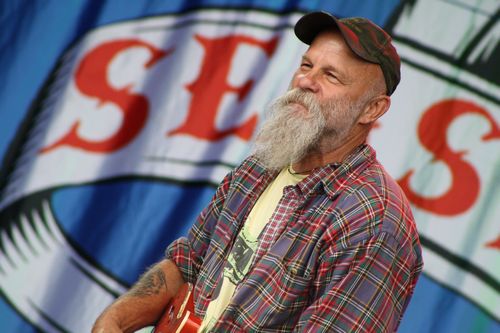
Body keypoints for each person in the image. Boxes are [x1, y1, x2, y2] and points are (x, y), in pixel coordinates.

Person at [92, 11, 423, 333]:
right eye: (307, 65)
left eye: (331, 76)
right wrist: (115, 322)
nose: (306, 81)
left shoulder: (375, 221)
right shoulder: (258, 168)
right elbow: (188, 263)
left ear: (372, 108)